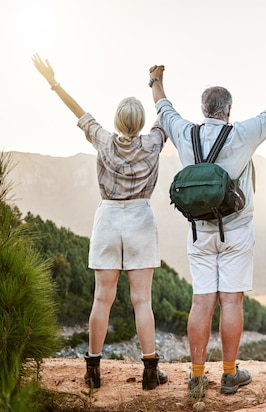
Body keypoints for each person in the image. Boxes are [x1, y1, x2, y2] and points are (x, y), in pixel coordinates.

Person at [148, 54, 266, 398]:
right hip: (236, 230)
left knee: (201, 302)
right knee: (231, 302)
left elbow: (163, 108)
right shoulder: (241, 133)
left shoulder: (184, 132)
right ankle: (228, 374)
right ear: (228, 110)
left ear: (203, 108)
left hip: (199, 231)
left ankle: (196, 378)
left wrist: (155, 79)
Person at [32, 54, 169, 390]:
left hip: (108, 218)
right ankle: (150, 372)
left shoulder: (103, 140)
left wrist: (53, 82)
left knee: (101, 298)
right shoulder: (153, 142)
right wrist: (156, 82)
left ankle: (93, 371)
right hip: (140, 218)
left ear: (117, 121)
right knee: (142, 300)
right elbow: (165, 112)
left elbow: (77, 111)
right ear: (139, 123)